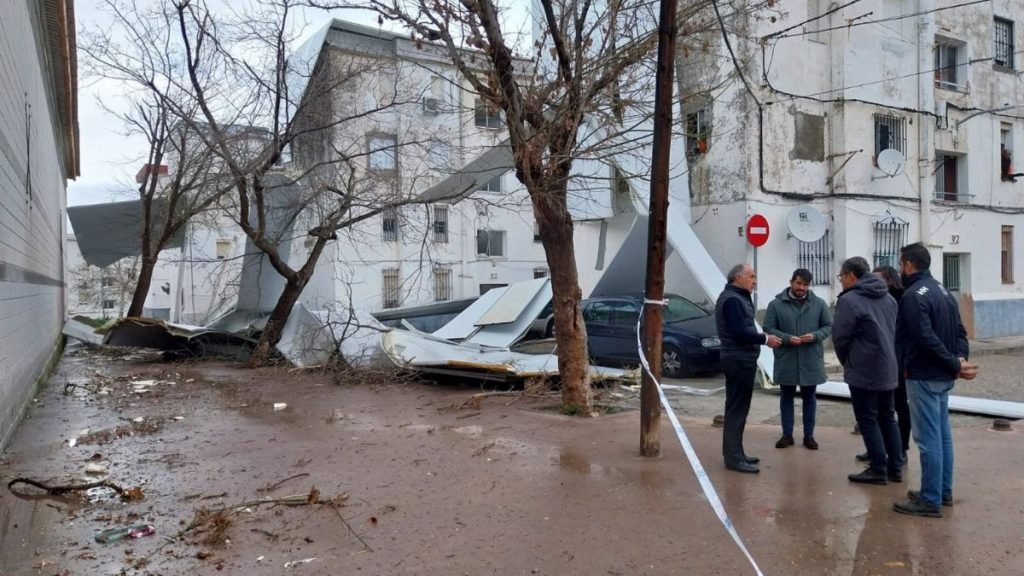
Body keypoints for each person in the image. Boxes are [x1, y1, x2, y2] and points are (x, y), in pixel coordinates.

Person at [892, 243, 976, 518]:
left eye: (900, 263)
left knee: (928, 439)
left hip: (924, 374)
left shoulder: (913, 295)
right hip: (941, 374)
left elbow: (924, 337)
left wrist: (954, 362)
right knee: (941, 436)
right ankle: (942, 490)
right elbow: (960, 332)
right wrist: (959, 358)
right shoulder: (942, 291)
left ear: (907, 265)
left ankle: (930, 499)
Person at [832, 256, 903, 485]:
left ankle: (877, 468)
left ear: (852, 276)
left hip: (864, 367)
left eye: (842, 277)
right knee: (887, 417)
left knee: (867, 419)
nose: (841, 281)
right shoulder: (888, 298)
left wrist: (848, 361)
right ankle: (895, 467)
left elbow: (840, 337)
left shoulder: (850, 300)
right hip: (888, 366)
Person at [715, 264, 782, 474]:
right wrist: (765, 338)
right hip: (737, 359)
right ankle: (733, 457)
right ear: (738, 278)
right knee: (736, 409)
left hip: (741, 358)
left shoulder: (738, 297)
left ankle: (737, 452)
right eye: (751, 276)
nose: (755, 280)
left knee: (739, 408)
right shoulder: (732, 300)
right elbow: (738, 332)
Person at [763, 269, 833, 450]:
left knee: (810, 398)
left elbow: (828, 326)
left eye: (805, 285)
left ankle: (809, 436)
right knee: (786, 397)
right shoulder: (776, 305)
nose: (802, 288)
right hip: (787, 358)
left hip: (811, 358)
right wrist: (786, 338)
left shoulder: (819, 304)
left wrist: (815, 336)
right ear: (791, 282)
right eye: (799, 283)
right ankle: (787, 435)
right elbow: (768, 327)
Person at [855, 265, 910, 462]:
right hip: (880, 362)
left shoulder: (901, 299)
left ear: (889, 280)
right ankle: (876, 450)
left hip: (898, 360)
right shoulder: (874, 298)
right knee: (876, 409)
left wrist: (905, 361)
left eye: (877, 279)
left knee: (898, 407)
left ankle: (900, 449)